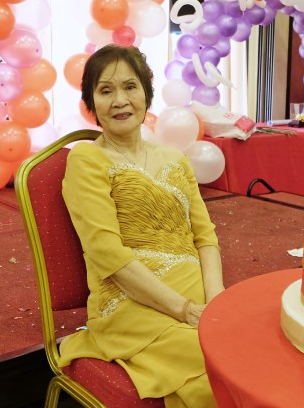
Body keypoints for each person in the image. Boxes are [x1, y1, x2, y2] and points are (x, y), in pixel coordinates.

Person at [60, 44, 224, 407]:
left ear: (146, 94)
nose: (120, 100)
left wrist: (216, 304)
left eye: (130, 87)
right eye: (106, 90)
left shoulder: (175, 159)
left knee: (243, 345)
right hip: (131, 304)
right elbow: (107, 254)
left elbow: (205, 238)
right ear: (91, 105)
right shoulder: (87, 159)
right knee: (218, 361)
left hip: (197, 294)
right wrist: (185, 311)